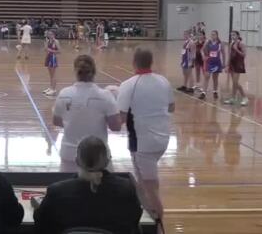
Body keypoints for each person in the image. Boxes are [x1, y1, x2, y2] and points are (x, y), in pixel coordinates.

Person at [33, 136, 142, 234]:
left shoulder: (56, 192)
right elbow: (133, 222)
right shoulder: (126, 189)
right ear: (107, 162)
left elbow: (41, 226)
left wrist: (38, 209)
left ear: (76, 161)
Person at [117, 47, 174, 224]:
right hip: (163, 139)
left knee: (150, 188)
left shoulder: (129, 85)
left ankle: (158, 224)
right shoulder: (163, 81)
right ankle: (144, 217)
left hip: (143, 143)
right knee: (142, 182)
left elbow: (121, 118)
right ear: (151, 62)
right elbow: (171, 107)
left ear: (134, 62)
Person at [53, 55, 121, 171]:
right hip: (98, 155)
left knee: (68, 188)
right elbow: (115, 126)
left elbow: (57, 121)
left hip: (69, 153)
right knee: (104, 188)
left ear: (75, 71)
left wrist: (76, 120)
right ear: (94, 71)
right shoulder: (106, 96)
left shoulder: (64, 94)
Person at [199, 30, 225, 100]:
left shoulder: (220, 43)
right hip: (209, 62)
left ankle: (215, 91)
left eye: (214, 35)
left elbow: (223, 53)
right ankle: (203, 92)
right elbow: (201, 50)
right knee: (206, 76)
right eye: (211, 35)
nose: (212, 36)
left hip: (217, 62)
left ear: (217, 35)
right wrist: (203, 56)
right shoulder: (208, 42)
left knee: (215, 78)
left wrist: (224, 63)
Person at [225, 31, 248, 106]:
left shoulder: (241, 44)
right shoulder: (231, 44)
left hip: (238, 64)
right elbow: (230, 55)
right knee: (234, 83)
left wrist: (237, 50)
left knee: (235, 82)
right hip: (232, 64)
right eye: (231, 35)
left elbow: (244, 55)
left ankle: (245, 97)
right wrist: (227, 65)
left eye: (234, 35)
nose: (232, 36)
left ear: (238, 36)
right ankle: (233, 98)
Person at [43, 31, 60, 96]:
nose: (50, 35)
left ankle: (53, 89)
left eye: (51, 34)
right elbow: (45, 50)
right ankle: (50, 88)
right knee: (50, 75)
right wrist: (45, 45)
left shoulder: (56, 41)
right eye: (49, 34)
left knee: (53, 74)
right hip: (48, 57)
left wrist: (51, 50)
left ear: (54, 35)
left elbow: (59, 51)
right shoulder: (48, 41)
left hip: (53, 58)